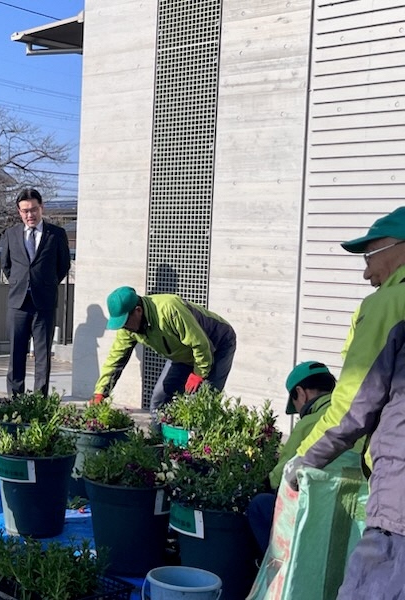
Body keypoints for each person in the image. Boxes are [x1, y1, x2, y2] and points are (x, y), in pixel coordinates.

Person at [284, 206, 405, 599]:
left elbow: (354, 404)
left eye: (369, 257)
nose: (367, 273)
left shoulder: (389, 303)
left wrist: (302, 461)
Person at [95, 286, 236, 427]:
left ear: (138, 311)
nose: (124, 327)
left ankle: (201, 440)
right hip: (182, 353)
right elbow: (115, 359)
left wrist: (199, 373)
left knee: (202, 403)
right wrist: (100, 392)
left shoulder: (169, 309)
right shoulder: (128, 329)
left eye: (125, 322)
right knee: (160, 400)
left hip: (216, 345)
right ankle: (158, 440)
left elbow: (200, 343)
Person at [247, 361, 337, 554]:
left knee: (260, 505)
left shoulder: (309, 424)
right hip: (351, 514)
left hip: (314, 514)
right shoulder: (357, 417)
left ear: (301, 393)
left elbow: (279, 477)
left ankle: (276, 565)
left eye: (295, 403)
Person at [0, 187, 71, 397]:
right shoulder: (11, 234)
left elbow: (63, 265)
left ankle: (39, 401)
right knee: (16, 355)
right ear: (19, 212)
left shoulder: (56, 234)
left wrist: (46, 283)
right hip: (18, 303)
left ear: (41, 208)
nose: (29, 215)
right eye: (25, 211)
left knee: (43, 356)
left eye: (33, 209)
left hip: (44, 303)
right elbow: (6, 265)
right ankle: (15, 399)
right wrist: (21, 282)